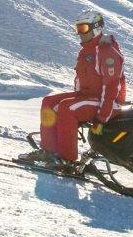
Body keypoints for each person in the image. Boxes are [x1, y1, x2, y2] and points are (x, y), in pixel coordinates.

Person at [26, 10, 125, 165]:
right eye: (77, 29)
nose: (79, 33)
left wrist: (101, 118)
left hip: (107, 103)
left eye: (83, 28)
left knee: (67, 107)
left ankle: (66, 158)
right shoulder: (86, 50)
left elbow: (112, 87)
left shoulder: (106, 51)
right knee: (48, 102)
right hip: (88, 97)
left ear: (96, 27)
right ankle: (48, 151)